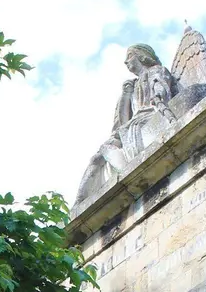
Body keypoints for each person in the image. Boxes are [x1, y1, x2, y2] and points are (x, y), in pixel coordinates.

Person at [76, 44, 177, 204]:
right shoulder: (132, 84)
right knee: (98, 157)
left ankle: (127, 172)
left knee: (105, 151)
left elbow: (161, 86)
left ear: (142, 56)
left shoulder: (156, 70)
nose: (125, 61)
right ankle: (79, 203)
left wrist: (158, 96)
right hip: (132, 126)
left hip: (149, 117)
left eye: (129, 56)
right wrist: (126, 95)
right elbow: (121, 122)